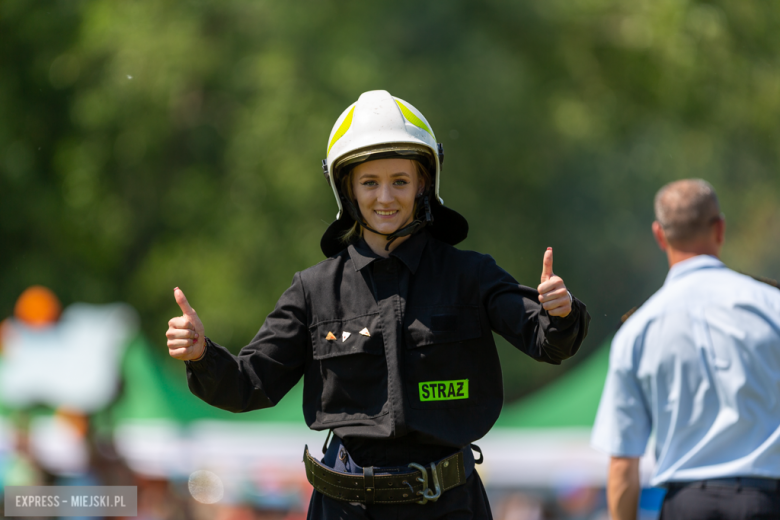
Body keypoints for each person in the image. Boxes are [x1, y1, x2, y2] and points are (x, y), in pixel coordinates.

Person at [166, 90, 590, 519]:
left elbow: (548, 342)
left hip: (449, 507)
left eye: (400, 181)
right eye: (370, 182)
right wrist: (201, 354)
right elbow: (248, 384)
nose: (385, 197)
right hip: (343, 508)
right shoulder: (313, 290)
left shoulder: (471, 274)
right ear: (346, 188)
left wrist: (560, 312)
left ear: (424, 184)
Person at [591, 179, 780, 520]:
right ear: (720, 228)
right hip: (766, 500)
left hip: (686, 505)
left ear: (659, 235)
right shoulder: (772, 306)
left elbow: (622, 463)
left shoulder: (637, 329)